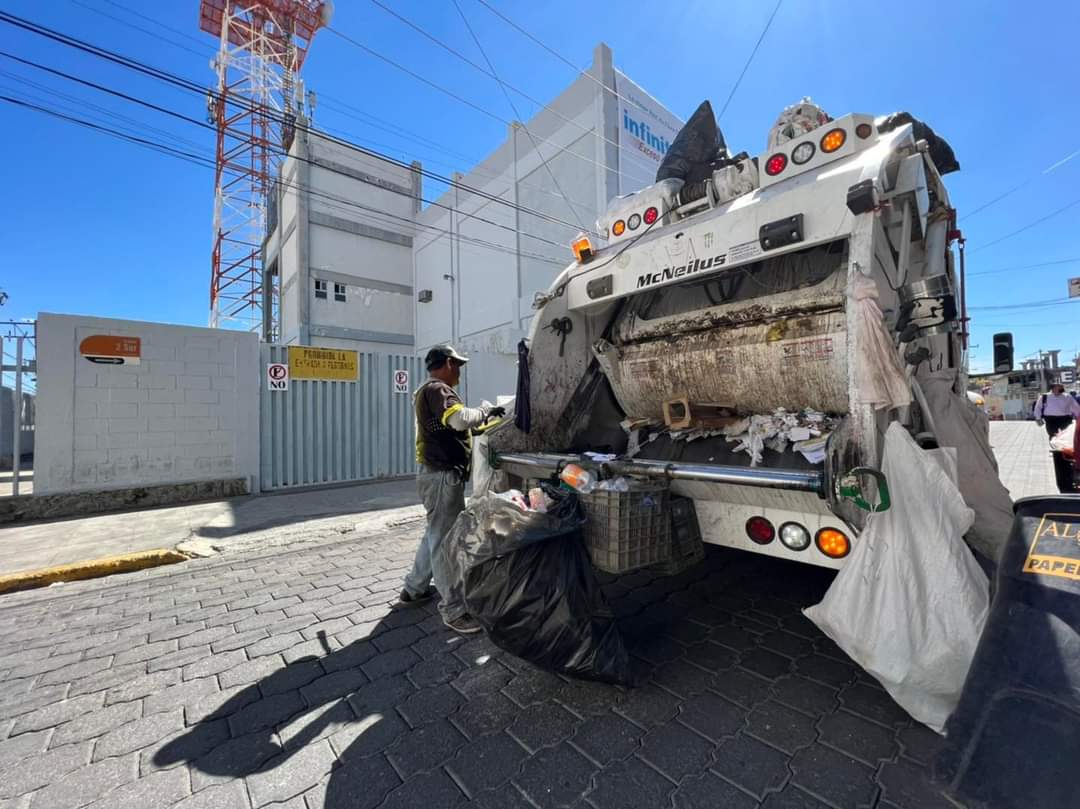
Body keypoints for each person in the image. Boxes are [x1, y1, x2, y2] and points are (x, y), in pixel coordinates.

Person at [399, 344, 504, 634]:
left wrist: (484, 424)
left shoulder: (427, 391)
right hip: (442, 477)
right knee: (445, 542)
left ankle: (414, 589)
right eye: (457, 365)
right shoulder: (437, 389)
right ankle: (454, 610)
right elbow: (459, 419)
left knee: (434, 534)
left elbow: (454, 428)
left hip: (435, 476)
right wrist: (484, 410)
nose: (459, 371)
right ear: (447, 363)